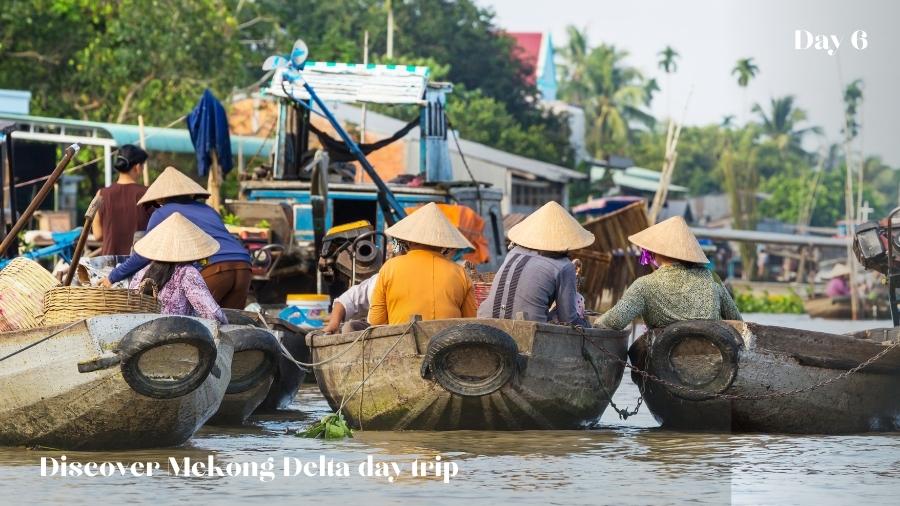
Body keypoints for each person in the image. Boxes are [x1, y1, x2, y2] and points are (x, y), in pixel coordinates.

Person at [102, 167, 252, 309]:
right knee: (231, 325)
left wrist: (112, 277)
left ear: (160, 198)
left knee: (200, 323)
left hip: (213, 267)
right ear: (190, 193)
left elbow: (144, 255)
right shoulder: (208, 210)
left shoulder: (162, 213)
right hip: (244, 265)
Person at [597, 216, 742, 330]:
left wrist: (595, 322)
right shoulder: (712, 279)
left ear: (656, 252)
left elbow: (615, 321)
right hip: (715, 355)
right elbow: (737, 320)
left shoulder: (644, 285)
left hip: (664, 358)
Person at [477, 201, 593, 327]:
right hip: (527, 328)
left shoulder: (513, 252)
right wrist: (587, 325)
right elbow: (568, 318)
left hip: (484, 319)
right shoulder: (564, 266)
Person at [368, 202, 477, 325]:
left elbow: (376, 321)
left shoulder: (390, 267)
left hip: (401, 342)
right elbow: (470, 321)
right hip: (448, 343)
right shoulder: (460, 273)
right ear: (443, 244)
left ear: (408, 240)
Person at [128, 212, 227, 324]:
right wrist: (227, 325)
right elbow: (212, 313)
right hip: (175, 336)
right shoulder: (187, 272)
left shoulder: (143, 271)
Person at [92, 145, 153, 255]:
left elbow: (98, 235)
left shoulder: (101, 194)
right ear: (138, 167)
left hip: (109, 265)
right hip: (138, 265)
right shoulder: (148, 194)